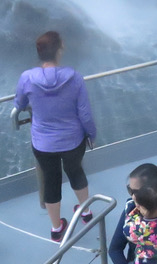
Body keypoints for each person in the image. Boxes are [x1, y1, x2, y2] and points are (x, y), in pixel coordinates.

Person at [15, 31, 97, 241]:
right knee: (76, 172)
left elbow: (20, 104)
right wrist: (91, 133)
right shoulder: (75, 77)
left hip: (43, 143)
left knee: (51, 181)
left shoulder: (27, 78)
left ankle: (56, 228)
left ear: (39, 53)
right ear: (60, 50)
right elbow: (85, 113)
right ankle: (86, 212)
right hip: (73, 140)